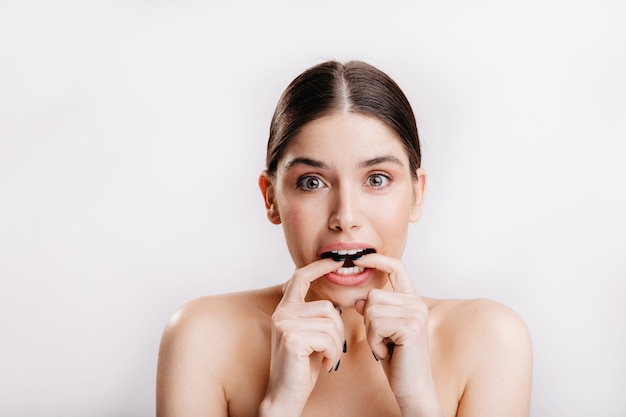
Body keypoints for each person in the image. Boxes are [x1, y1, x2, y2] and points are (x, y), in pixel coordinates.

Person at [156, 60, 533, 417]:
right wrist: (280, 404)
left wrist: (418, 400)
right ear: (271, 198)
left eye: (377, 179)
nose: (346, 218)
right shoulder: (202, 336)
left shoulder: (491, 338)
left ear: (417, 194)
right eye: (311, 182)